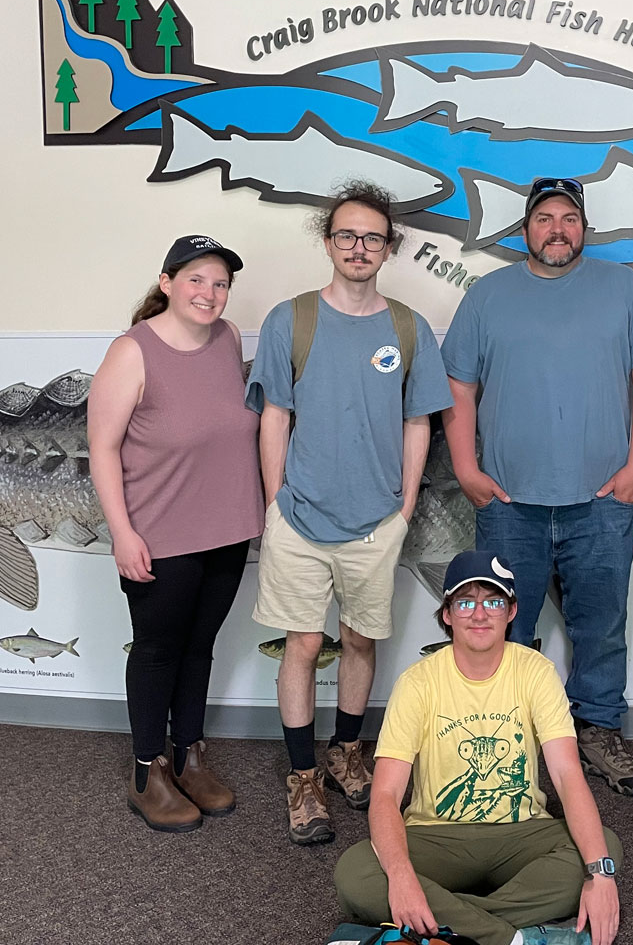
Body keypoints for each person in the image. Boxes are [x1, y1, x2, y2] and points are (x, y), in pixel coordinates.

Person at [441, 177, 633, 797]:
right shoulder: (487, 296)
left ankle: (597, 730)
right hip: (508, 503)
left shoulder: (622, 288)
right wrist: (465, 469)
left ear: (583, 228)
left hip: (600, 501)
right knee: (500, 626)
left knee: (601, 626)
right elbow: (458, 387)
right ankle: (503, 734)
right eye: (545, 218)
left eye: (569, 218)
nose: (557, 229)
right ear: (526, 230)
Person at [245, 182, 452, 845]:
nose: (359, 247)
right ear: (328, 242)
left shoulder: (408, 329)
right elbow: (274, 415)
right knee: (304, 645)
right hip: (300, 517)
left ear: (388, 248)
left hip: (376, 521)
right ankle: (303, 777)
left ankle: (345, 753)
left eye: (372, 238)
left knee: (361, 640)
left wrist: (405, 506)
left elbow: (419, 422)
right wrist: (276, 502)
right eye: (346, 235)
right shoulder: (290, 320)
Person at [335, 551, 623, 945]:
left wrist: (600, 873)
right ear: (448, 613)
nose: (480, 614)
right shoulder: (417, 682)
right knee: (356, 872)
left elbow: (567, 774)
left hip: (521, 832)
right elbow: (385, 794)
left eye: (494, 602)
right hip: (437, 836)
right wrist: (401, 876)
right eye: (466, 602)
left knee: (605, 849)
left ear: (511, 611)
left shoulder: (536, 671)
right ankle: (515, 939)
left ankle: (447, 923)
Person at [88, 234, 264, 833]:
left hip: (228, 529)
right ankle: (148, 772)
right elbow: (102, 450)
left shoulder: (228, 337)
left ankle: (189, 755)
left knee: (199, 646)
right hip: (159, 533)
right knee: (158, 650)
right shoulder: (131, 352)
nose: (208, 293)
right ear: (166, 283)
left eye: (220, 283)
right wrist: (122, 533)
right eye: (195, 280)